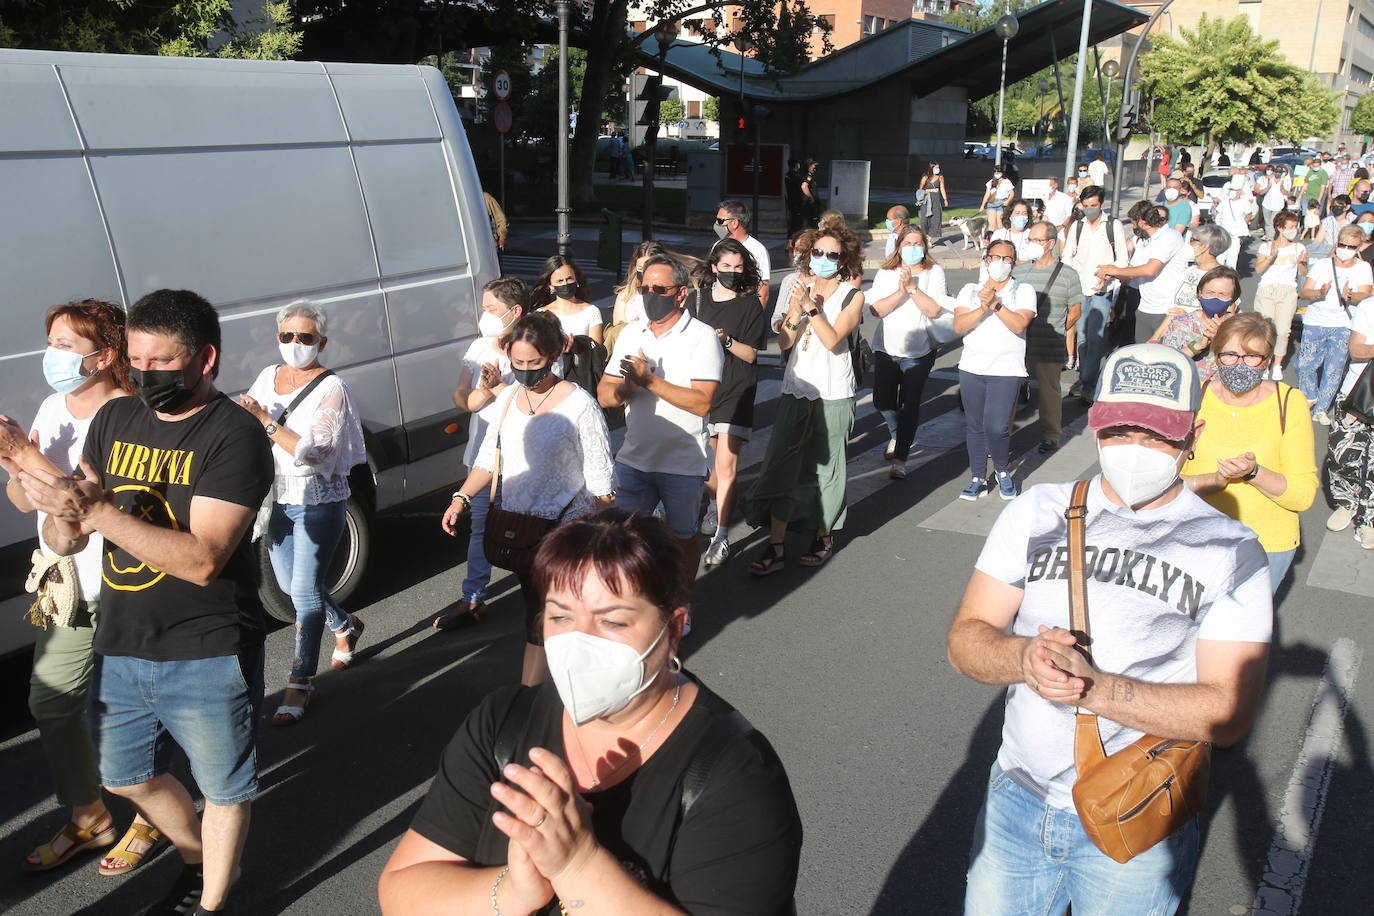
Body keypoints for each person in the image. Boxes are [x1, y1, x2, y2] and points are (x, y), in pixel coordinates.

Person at [947, 343, 1272, 916]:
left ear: (1191, 435)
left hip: (1137, 807)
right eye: (1120, 429)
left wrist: (1092, 687)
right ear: (1096, 424)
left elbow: (1229, 713)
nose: (1135, 448)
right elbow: (967, 638)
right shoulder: (1035, 511)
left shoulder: (1231, 548)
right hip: (1015, 799)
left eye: (1157, 434)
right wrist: (1023, 659)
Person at [379, 510, 803, 915]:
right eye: (561, 616)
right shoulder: (502, 724)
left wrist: (577, 866)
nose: (579, 644)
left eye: (613, 622)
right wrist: (512, 892)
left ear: (673, 630)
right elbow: (402, 891)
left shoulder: (736, 775)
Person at [14, 289, 274, 915]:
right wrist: (61, 520)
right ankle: (196, 857)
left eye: (162, 362)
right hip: (124, 636)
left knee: (224, 788)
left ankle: (213, 897)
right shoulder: (113, 420)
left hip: (208, 643)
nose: (145, 374)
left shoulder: (235, 437)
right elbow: (73, 520)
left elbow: (204, 558)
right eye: (136, 360)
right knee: (123, 777)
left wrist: (93, 511)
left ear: (204, 359)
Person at [1, 300, 165, 877]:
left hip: (123, 577)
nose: (54, 356)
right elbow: (26, 498)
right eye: (51, 342)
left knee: (131, 707)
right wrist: (13, 464)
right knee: (51, 701)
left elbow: (89, 503)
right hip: (66, 578)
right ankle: (89, 814)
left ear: (106, 355)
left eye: (66, 345)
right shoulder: (52, 405)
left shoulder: (130, 415)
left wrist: (26, 454)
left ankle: (150, 816)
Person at [445, 312, 613, 685]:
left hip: (568, 534)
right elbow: (489, 458)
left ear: (554, 355)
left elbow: (603, 483)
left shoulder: (580, 405)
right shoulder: (508, 402)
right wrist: (460, 497)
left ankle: (549, 695)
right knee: (537, 617)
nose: (524, 371)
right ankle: (541, 698)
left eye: (533, 363)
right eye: (517, 363)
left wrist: (597, 542)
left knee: (553, 618)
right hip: (522, 533)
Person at [239, 300, 367, 726]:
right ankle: (345, 625)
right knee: (292, 590)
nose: (295, 343)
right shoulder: (266, 377)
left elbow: (317, 452)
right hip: (275, 497)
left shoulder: (333, 388)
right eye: (287, 336)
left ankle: (299, 682)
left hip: (317, 499)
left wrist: (267, 422)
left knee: (306, 593)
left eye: (305, 337)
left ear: (322, 342)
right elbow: (246, 425)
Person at [746, 226, 866, 573]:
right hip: (797, 389)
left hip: (833, 393)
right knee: (782, 465)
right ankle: (776, 544)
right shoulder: (798, 289)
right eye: (818, 253)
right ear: (808, 255)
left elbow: (832, 340)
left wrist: (812, 309)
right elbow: (784, 343)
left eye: (833, 255)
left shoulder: (851, 296)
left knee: (827, 469)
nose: (824, 260)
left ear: (844, 260)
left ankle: (824, 534)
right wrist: (795, 310)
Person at [598, 255, 722, 584]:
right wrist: (629, 384)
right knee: (622, 539)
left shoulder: (701, 336)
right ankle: (634, 603)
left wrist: (649, 381)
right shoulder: (631, 334)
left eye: (659, 288)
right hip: (634, 459)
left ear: (680, 293)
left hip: (682, 463)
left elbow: (701, 402)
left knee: (682, 539)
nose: (650, 294)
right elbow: (604, 395)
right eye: (644, 288)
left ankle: (680, 602)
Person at [1181, 314, 1317, 592]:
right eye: (1230, 354)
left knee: (1240, 633)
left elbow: (1303, 495)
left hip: (1265, 544)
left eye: (1252, 356)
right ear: (1216, 355)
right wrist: (1215, 479)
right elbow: (1167, 483)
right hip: (1194, 541)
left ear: (1267, 360)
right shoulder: (1195, 398)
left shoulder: (1289, 403)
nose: (1239, 364)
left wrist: (1254, 473)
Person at [438, 278, 529, 631]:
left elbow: (538, 400)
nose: (484, 316)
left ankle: (544, 595)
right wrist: (478, 395)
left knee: (526, 528)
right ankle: (473, 598)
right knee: (480, 529)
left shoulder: (532, 346)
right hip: (482, 456)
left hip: (522, 459)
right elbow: (462, 396)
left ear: (514, 311)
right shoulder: (479, 348)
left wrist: (497, 388)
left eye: (491, 309)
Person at [688, 240, 766, 566]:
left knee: (726, 467)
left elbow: (751, 354)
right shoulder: (697, 300)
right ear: (714, 267)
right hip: (704, 388)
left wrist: (727, 340)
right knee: (709, 472)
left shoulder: (749, 306)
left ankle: (721, 535)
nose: (733, 272)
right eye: (727, 266)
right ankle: (712, 506)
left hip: (737, 387)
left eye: (738, 267)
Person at [953, 239, 1037, 501]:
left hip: (1006, 370)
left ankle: (1002, 471)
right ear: (986, 259)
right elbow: (959, 325)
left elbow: (1020, 325)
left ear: (1014, 263)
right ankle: (978, 477)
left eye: (1007, 259)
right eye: (995, 257)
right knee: (975, 426)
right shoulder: (969, 290)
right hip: (972, 367)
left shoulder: (1023, 290)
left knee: (997, 427)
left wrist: (996, 304)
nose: (1000, 263)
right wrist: (982, 306)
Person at [866, 225, 951, 478]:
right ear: (899, 246)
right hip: (886, 348)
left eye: (917, 244)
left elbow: (935, 310)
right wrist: (901, 290)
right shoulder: (886, 272)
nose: (913, 248)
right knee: (882, 400)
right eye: (908, 244)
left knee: (909, 405)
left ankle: (901, 458)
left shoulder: (934, 272)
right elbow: (876, 310)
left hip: (920, 351)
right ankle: (896, 434)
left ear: (925, 247)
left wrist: (913, 288)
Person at [1298, 224, 1374, 424]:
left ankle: (1322, 409)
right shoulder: (1323, 265)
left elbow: (1366, 293)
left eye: (1352, 247)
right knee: (1305, 365)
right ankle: (1310, 394)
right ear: (1336, 243)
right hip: (1315, 320)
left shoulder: (1363, 268)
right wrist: (1319, 293)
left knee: (1334, 369)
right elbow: (1304, 292)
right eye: (1343, 245)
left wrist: (1351, 295)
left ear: (1358, 248)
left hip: (1344, 324)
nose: (1346, 250)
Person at [1017, 222, 1082, 454]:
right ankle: (1002, 432)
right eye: (1030, 240)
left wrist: (1058, 329)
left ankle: (1051, 435)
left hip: (1050, 343)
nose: (1032, 244)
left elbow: (1075, 310)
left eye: (1037, 240)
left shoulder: (1068, 274)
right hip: (1019, 342)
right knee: (1010, 388)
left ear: (1050, 243)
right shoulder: (1019, 272)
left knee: (1049, 392)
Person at [1062, 185, 1128, 398]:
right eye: (1086, 205)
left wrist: (1108, 274)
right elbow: (1067, 257)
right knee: (1082, 335)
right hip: (1079, 289)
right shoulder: (1077, 227)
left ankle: (1089, 383)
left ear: (1101, 205)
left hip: (1102, 290)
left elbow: (1122, 260)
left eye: (1094, 205)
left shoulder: (1113, 225)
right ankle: (1085, 379)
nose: (1090, 209)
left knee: (1095, 336)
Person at [1095, 200, 1191, 347]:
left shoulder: (1170, 236)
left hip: (1166, 308)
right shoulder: (1144, 240)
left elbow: (1150, 269)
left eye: (1134, 224)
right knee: (1141, 354)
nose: (1133, 228)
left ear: (1143, 223)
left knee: (1160, 357)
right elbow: (1133, 269)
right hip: (1145, 307)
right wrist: (1109, 273)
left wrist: (1114, 270)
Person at [1323, 293, 1374, 548]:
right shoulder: (1369, 306)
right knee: (1342, 454)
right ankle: (1346, 503)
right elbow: (1356, 349)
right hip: (1357, 393)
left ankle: (1368, 521)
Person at [1151, 266, 1242, 377]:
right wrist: (1198, 346)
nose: (1215, 298)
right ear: (1199, 293)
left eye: (1222, 294)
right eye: (1210, 292)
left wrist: (1221, 339)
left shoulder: (1241, 327)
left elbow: (1245, 366)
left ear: (1233, 298)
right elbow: (1167, 364)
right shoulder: (1181, 324)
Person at [1253, 211, 1309, 378]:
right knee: (1265, 329)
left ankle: (1277, 364)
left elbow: (1303, 272)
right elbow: (1258, 269)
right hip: (1267, 290)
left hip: (1288, 290)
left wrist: (1302, 263)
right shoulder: (1266, 246)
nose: (1295, 230)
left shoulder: (1299, 247)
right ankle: (1265, 363)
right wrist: (1271, 257)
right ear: (1279, 227)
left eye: (1296, 226)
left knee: (1283, 330)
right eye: (1290, 227)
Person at [532, 256, 603, 347]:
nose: (565, 283)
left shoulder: (592, 312)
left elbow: (596, 351)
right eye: (560, 281)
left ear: (576, 279)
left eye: (569, 278)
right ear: (550, 286)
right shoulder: (541, 314)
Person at [713, 199, 771, 304]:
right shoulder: (717, 246)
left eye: (720, 221)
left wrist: (754, 318)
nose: (716, 224)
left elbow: (763, 290)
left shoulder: (757, 249)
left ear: (734, 223)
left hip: (744, 308)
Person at [1172, 222, 1231, 314]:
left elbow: (1227, 314)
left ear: (1205, 246)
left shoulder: (1222, 277)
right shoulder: (1190, 270)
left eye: (1192, 240)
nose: (1188, 243)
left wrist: (1188, 318)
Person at [917, 162, 949, 239]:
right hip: (926, 200)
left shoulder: (940, 177)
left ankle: (929, 240)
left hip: (936, 199)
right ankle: (924, 236)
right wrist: (925, 192)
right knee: (924, 220)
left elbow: (942, 188)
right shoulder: (925, 177)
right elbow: (920, 189)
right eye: (936, 168)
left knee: (936, 219)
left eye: (938, 168)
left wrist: (945, 199)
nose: (938, 169)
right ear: (931, 168)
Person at [980, 167, 1015, 232]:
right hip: (991, 203)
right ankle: (991, 239)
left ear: (1002, 173)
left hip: (1001, 203)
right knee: (991, 226)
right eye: (995, 172)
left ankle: (1001, 240)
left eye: (998, 172)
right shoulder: (991, 182)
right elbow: (987, 194)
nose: (996, 174)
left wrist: (1007, 201)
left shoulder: (1007, 182)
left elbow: (1012, 194)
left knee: (1000, 225)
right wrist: (982, 205)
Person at [785, 159, 805, 234]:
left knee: (794, 220)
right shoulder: (794, 175)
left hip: (792, 200)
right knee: (796, 222)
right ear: (796, 165)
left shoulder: (788, 174)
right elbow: (800, 185)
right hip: (796, 201)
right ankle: (793, 236)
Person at [799, 159, 820, 228]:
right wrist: (811, 197)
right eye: (813, 165)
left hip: (811, 203)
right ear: (809, 166)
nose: (815, 167)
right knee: (809, 223)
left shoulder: (811, 176)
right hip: (809, 204)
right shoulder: (808, 176)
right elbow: (804, 186)